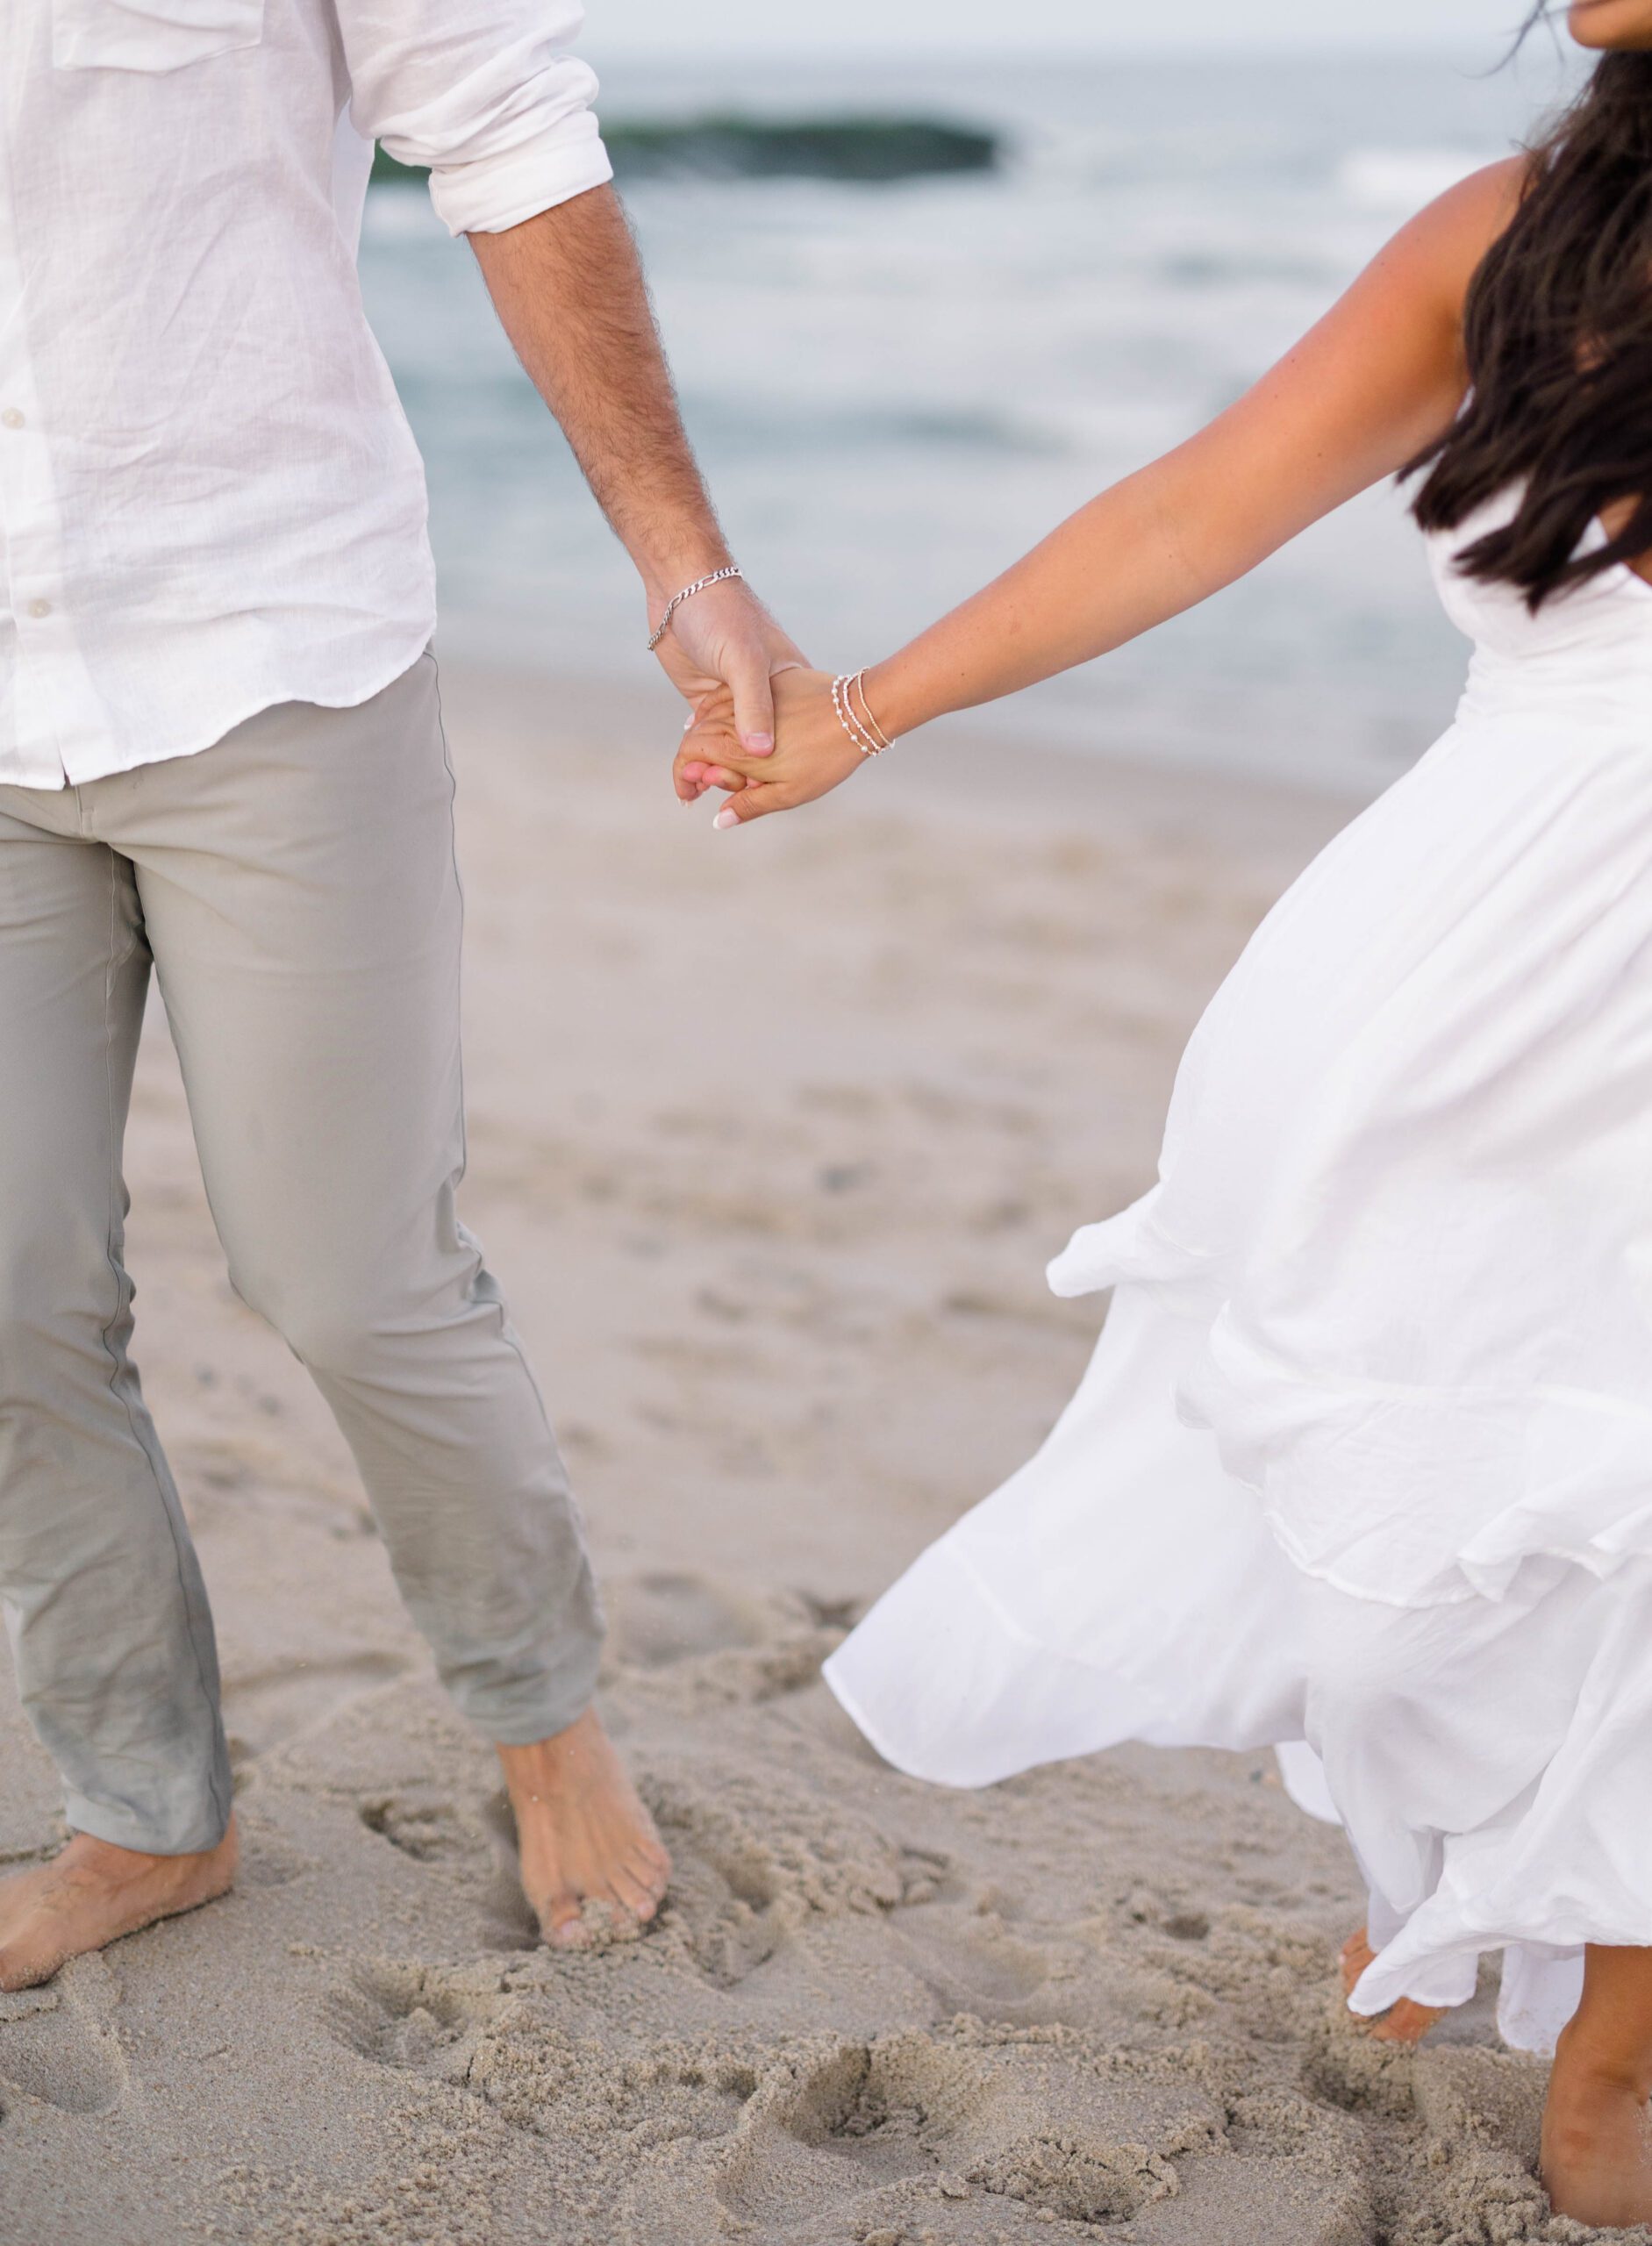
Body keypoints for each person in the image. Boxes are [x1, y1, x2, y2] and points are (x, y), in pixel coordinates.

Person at [676, 2, 1652, 2227]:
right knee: (1422, 1528)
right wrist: (867, 709)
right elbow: (1204, 504)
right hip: (1465, 987)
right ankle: (1441, 1862)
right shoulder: (1510, 238)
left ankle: (1614, 2039)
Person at [0, 0, 802, 1987]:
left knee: (349, 1272)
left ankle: (545, 1724)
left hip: (272, 635)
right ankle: (148, 1809)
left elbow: (507, 126)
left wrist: (683, 560)